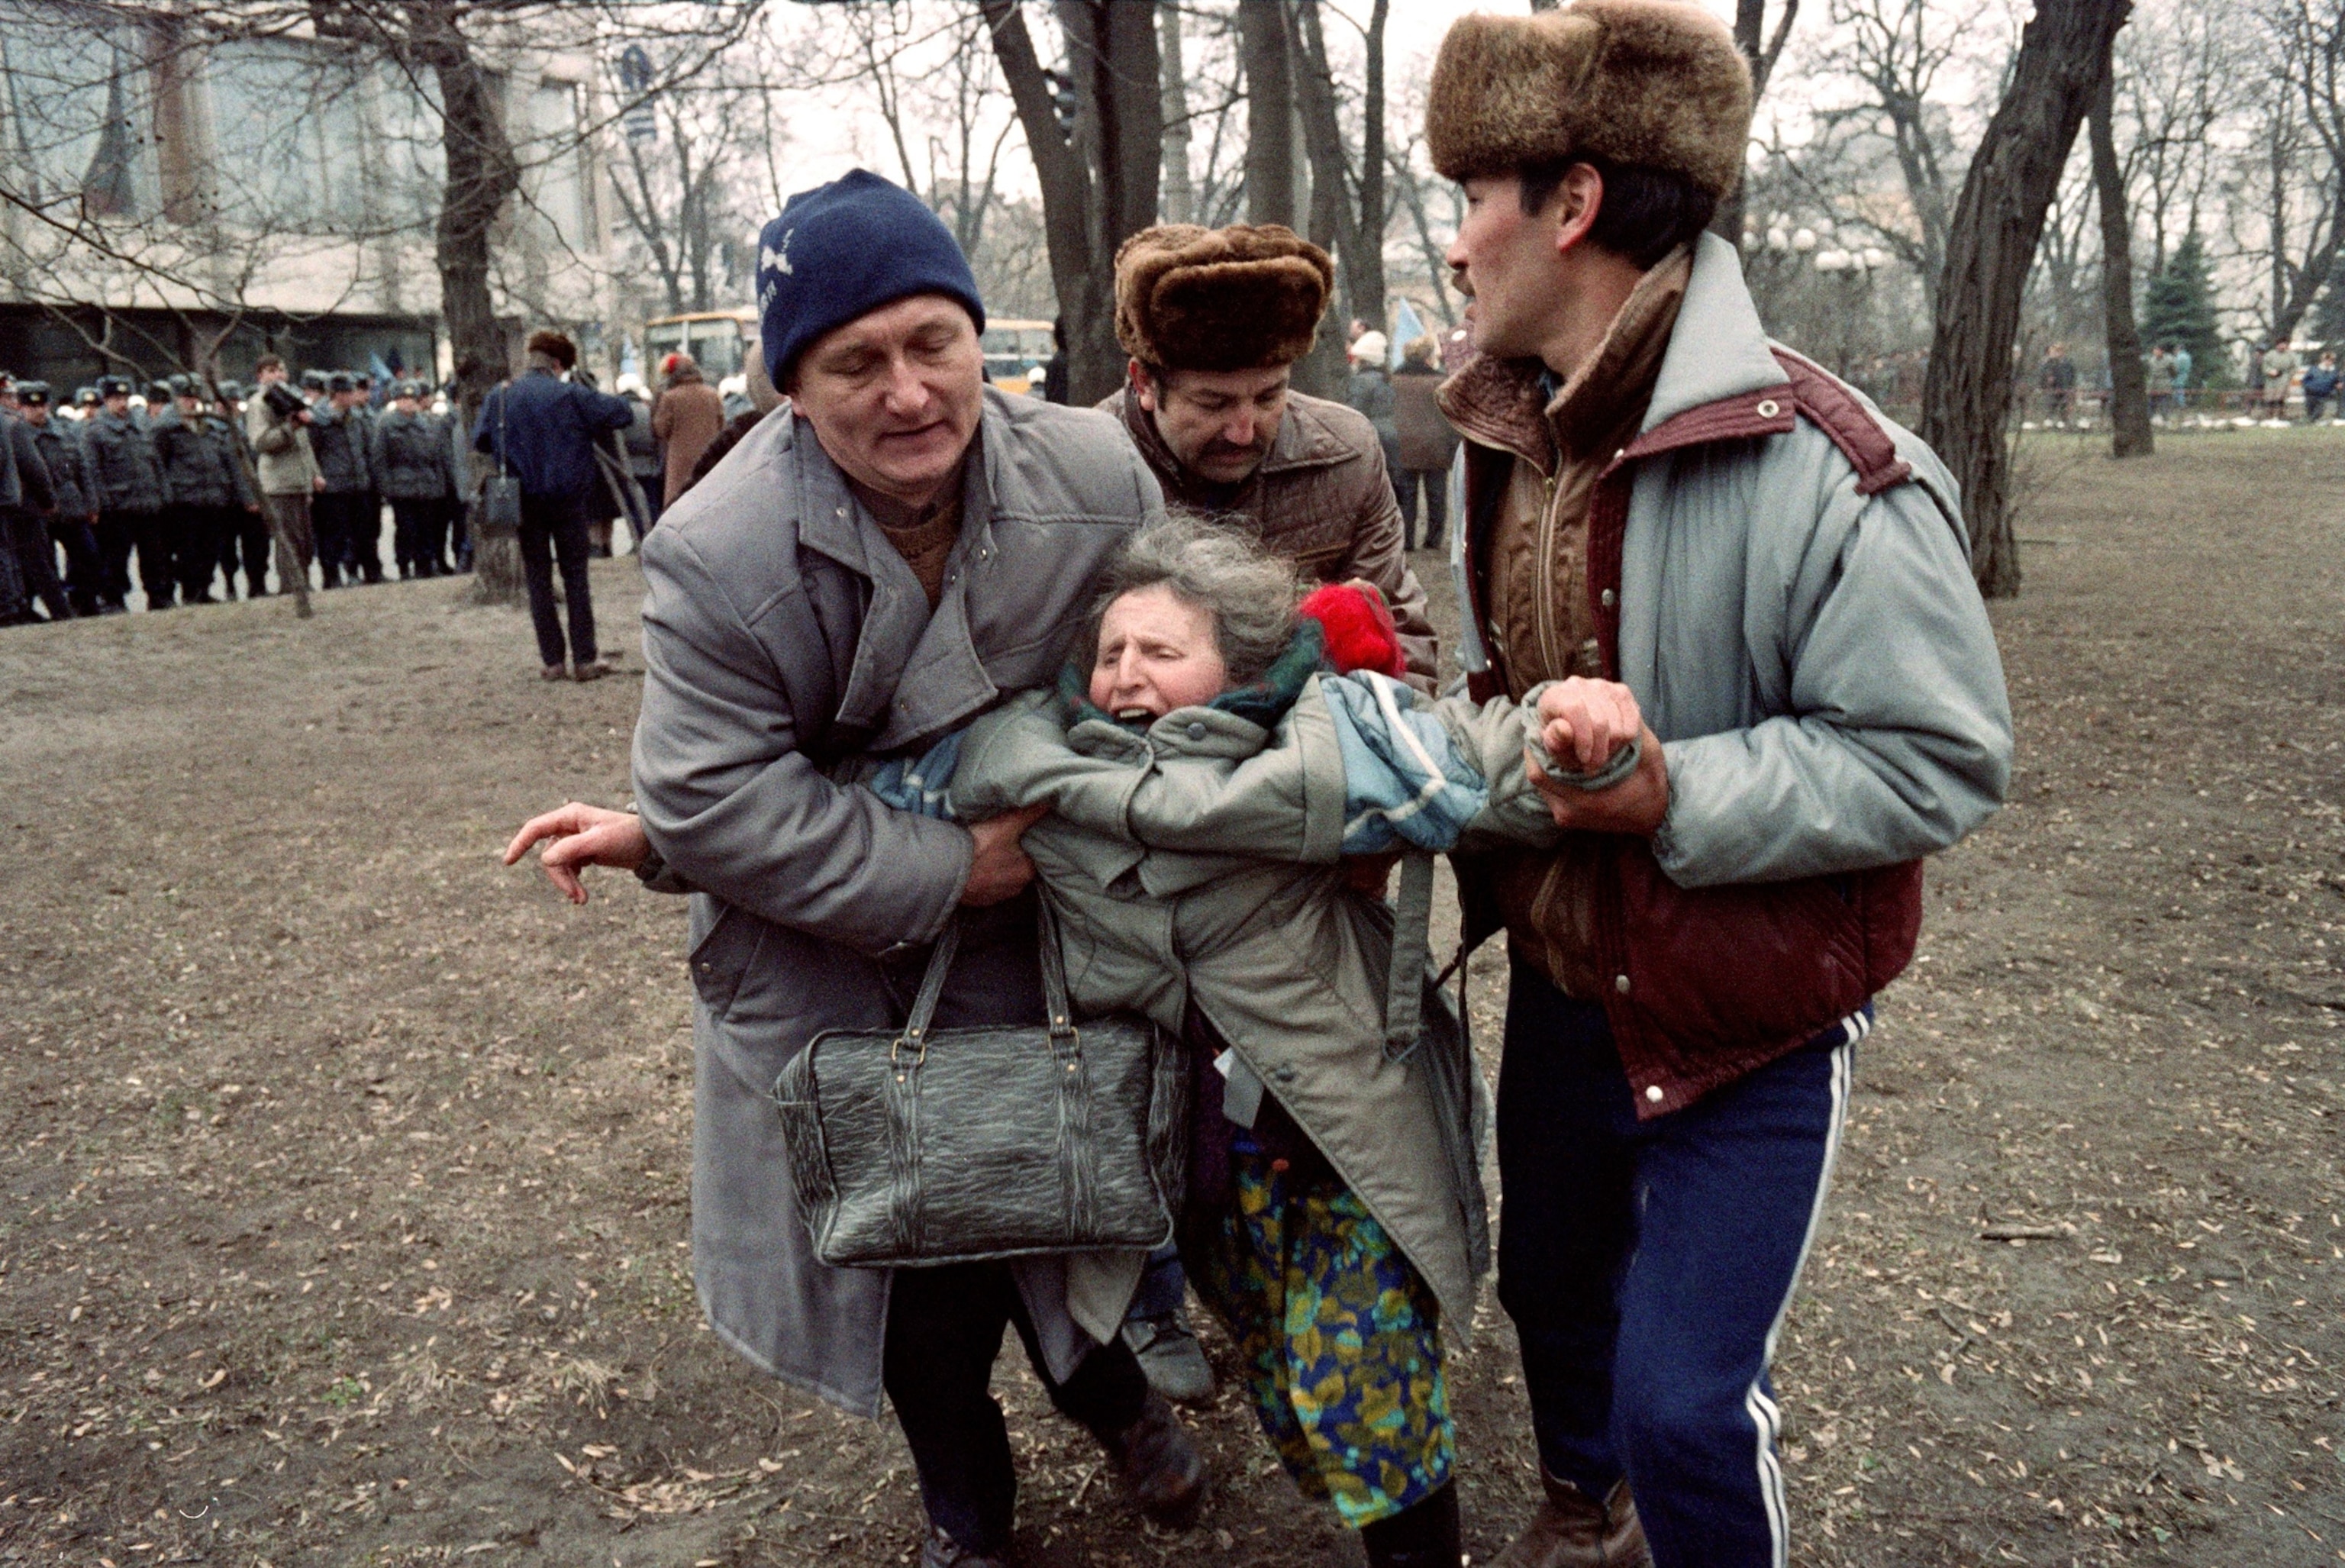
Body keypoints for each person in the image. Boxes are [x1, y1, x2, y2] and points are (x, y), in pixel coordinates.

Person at [505, 169, 1208, 1568]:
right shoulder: (717, 546)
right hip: (841, 965)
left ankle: (1121, 1408)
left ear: (977, 338)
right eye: (855, 361)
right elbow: (709, 788)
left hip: (1051, 938)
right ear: (789, 385)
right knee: (916, 1277)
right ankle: (968, 1520)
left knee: (1064, 1228)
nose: (906, 393)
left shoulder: (1092, 468)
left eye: (931, 342)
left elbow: (1170, 661)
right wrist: (949, 865)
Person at [1424, 4, 2012, 1565]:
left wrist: (1670, 787)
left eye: (1472, 196)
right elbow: (1508, 699)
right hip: (1561, 990)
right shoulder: (1503, 433)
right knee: (1554, 1292)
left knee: (1686, 1405)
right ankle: (1583, 1503)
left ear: (1574, 203)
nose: (1459, 243)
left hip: (1746, 1015)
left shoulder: (1839, 464)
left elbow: (1938, 755)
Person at [1102, 223, 1439, 687]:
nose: (1244, 433)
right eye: (1213, 404)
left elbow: (1402, 640)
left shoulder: (1345, 456)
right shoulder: (1083, 469)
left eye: (1268, 398)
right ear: (1144, 384)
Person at [473, 329, 634, 680]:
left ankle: (553, 661)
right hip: (568, 500)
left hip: (524, 502)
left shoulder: (501, 397)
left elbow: (482, 441)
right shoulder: (571, 394)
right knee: (576, 577)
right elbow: (622, 413)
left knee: (538, 579)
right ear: (559, 363)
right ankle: (585, 659)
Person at [150, 376, 257, 605]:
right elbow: (159, 464)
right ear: (176, 398)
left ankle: (204, 588)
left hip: (213, 495)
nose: (192, 402)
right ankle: (191, 591)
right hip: (185, 499)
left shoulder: (208, 424)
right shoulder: (166, 428)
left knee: (211, 548)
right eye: (186, 397)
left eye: (195, 397)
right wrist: (168, 495)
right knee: (188, 550)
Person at [83, 375, 171, 611]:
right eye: (115, 399)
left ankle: (158, 595)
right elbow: (93, 471)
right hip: (119, 505)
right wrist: (102, 502)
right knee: (116, 558)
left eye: (124, 398)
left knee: (154, 555)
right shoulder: (96, 431)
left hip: (147, 502)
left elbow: (155, 464)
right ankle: (114, 598)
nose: (121, 403)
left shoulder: (142, 427)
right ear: (105, 400)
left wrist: (164, 494)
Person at [19, 382, 105, 615]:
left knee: (89, 557)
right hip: (38, 510)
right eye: (32, 406)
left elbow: (82, 470)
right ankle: (44, 608)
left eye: (42, 405)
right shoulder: (18, 436)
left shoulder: (64, 432)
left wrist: (91, 503)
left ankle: (85, 601)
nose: (38, 411)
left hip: (71, 506)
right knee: (43, 566)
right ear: (22, 407)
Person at [246, 357, 322, 592]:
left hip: (299, 482)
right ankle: (292, 589)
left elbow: (304, 445)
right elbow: (260, 442)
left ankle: (303, 584)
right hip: (279, 483)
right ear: (260, 376)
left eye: (281, 370)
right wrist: (291, 428)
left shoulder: (289, 400)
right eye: (270, 371)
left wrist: (314, 475)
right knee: (288, 541)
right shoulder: (259, 404)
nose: (277, 375)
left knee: (305, 542)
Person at [373, 380, 460, 577]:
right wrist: (386, 487)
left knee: (426, 528)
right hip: (401, 484)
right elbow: (380, 459)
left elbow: (437, 455)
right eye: (403, 399)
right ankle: (404, 565)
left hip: (426, 484)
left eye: (411, 399)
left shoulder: (427, 422)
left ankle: (425, 564)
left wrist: (438, 483)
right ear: (396, 401)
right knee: (406, 528)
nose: (408, 403)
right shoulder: (386, 424)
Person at [0, 377, 62, 624]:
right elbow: (35, 468)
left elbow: (34, 468)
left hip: (16, 503)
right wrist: (48, 500)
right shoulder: (13, 424)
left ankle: (17, 608)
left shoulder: (10, 423)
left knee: (17, 559)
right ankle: (19, 608)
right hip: (18, 503)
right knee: (26, 560)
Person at [1391, 334, 1458, 551]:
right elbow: (1449, 418)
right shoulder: (1440, 382)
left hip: (1403, 445)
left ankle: (1407, 540)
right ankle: (1433, 539)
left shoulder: (1394, 380)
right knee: (1436, 496)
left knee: (1406, 497)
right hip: (1435, 445)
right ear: (1428, 357)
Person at [309, 373, 374, 588]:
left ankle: (354, 571)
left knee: (360, 532)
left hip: (357, 483)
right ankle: (332, 575)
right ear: (337, 394)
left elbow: (365, 449)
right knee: (333, 534)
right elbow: (313, 453)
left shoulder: (357, 417)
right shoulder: (320, 420)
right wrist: (317, 478)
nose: (354, 396)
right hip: (332, 488)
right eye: (349, 392)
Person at [649, 353, 725, 512]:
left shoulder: (670, 398)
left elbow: (660, 429)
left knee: (678, 509)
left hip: (679, 466)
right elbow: (722, 426)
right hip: (711, 461)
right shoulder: (712, 394)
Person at [1345, 330, 1404, 498]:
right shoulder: (1387, 379)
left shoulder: (1360, 381)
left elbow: (1354, 413)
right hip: (1392, 438)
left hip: (1371, 438)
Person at [2037, 342, 2076, 425]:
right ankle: (2049, 420)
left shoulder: (2067, 363)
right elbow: (2043, 376)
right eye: (2055, 351)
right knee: (2051, 404)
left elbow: (2072, 375)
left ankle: (2064, 421)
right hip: (2052, 389)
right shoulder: (2048, 363)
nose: (2057, 353)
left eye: (2059, 351)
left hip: (2064, 388)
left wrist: (2070, 387)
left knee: (2064, 405)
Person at [2263, 337, 2301, 418]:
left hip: (2284, 377)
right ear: (2277, 345)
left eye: (2284, 344)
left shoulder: (2291, 355)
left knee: (2281, 397)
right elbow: (2265, 366)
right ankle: (2269, 414)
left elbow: (2295, 367)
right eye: (2280, 344)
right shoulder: (2270, 354)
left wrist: (2289, 375)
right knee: (2270, 397)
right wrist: (2270, 371)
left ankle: (2281, 414)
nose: (2282, 346)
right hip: (2271, 379)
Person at [2302, 351, 2340, 423]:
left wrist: (2334, 388)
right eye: (2327, 360)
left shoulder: (2334, 371)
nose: (2328, 362)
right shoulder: (2314, 369)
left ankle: (2313, 421)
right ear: (2323, 360)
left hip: (2323, 394)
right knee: (2310, 409)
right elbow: (2305, 380)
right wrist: (2308, 387)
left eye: (2331, 360)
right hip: (2311, 393)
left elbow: (2336, 382)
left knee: (2320, 410)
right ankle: (2310, 421)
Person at [2145, 345, 2176, 421]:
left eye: (2157, 350)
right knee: (2151, 403)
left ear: (2162, 351)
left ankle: (2165, 419)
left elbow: (2173, 372)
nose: (2155, 352)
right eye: (2154, 350)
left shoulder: (2169, 360)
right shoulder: (2151, 360)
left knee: (2164, 403)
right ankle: (2149, 418)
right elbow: (2148, 371)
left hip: (2164, 384)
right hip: (2153, 384)